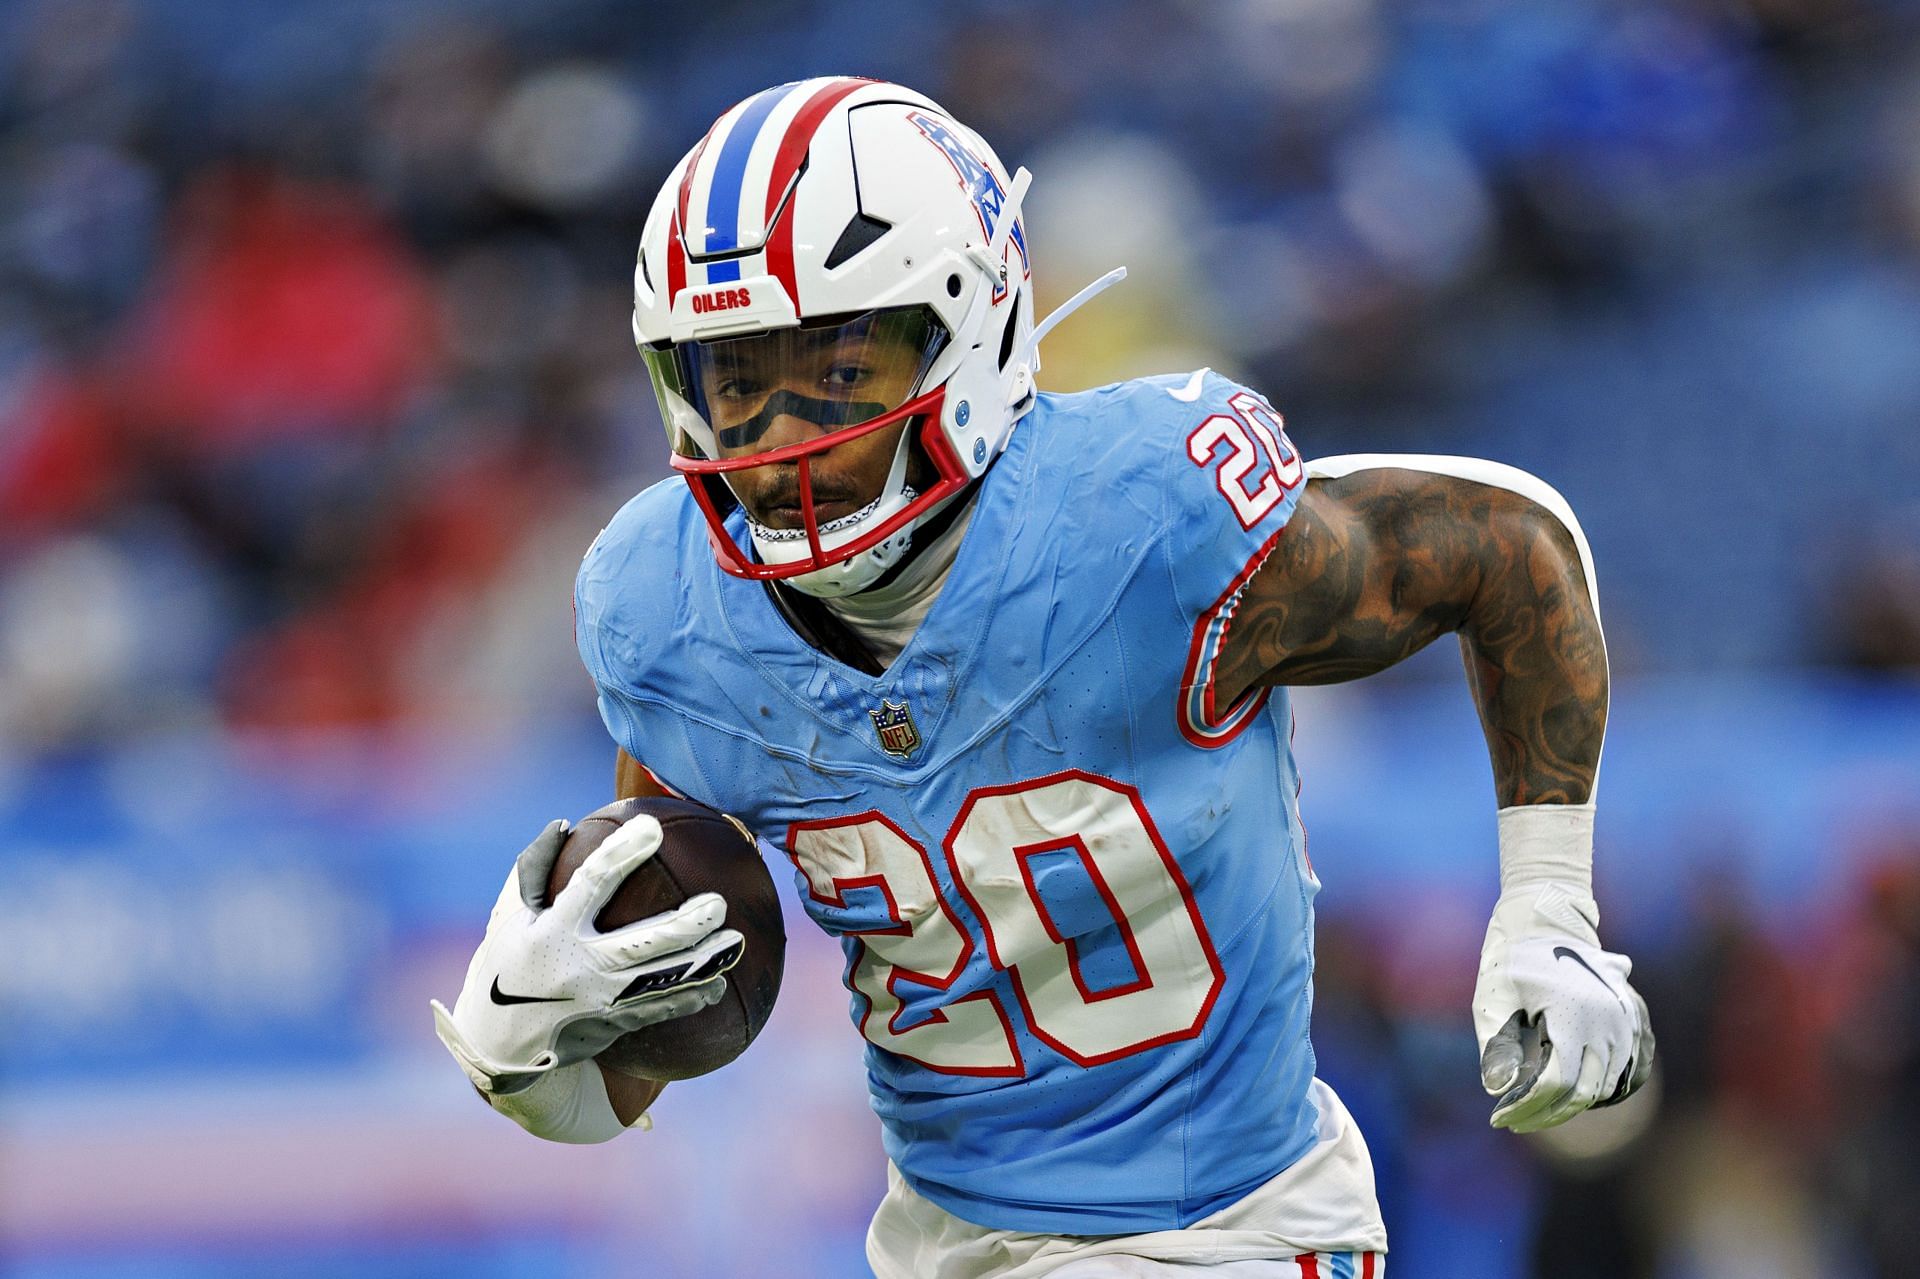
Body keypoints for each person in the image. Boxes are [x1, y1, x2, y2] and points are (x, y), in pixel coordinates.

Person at [431, 77, 1654, 1278]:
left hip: (1223, 1232)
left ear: (973, 325)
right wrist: (533, 1055)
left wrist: (1549, 905)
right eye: (739, 381)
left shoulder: (1144, 519)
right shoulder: (664, 608)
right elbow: (675, 971)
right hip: (941, 1243)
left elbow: (1506, 547)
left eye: (840, 369)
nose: (781, 437)